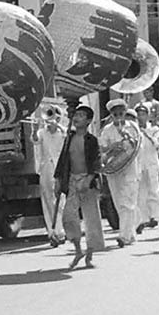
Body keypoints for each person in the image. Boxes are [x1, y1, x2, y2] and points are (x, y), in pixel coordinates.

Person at [52, 102, 104, 269]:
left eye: (81, 116)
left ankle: (89, 254)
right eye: (76, 115)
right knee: (68, 216)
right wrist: (58, 180)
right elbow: (62, 161)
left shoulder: (92, 140)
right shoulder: (69, 138)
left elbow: (97, 162)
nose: (77, 118)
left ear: (88, 121)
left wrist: (89, 180)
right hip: (73, 180)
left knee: (91, 218)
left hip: (88, 181)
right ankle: (77, 249)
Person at [99, 100, 140, 247]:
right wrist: (112, 147)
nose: (118, 116)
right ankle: (130, 234)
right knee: (118, 202)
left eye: (121, 113)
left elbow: (137, 145)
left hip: (129, 168)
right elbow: (102, 149)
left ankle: (124, 235)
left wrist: (126, 136)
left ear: (125, 112)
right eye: (115, 114)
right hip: (114, 169)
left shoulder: (133, 126)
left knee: (128, 202)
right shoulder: (107, 130)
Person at [34, 105, 68, 246]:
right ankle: (53, 232)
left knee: (61, 200)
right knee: (48, 200)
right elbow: (35, 140)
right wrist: (35, 128)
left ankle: (61, 230)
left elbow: (68, 139)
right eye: (49, 115)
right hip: (47, 168)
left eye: (54, 115)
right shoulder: (42, 132)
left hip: (61, 168)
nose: (51, 118)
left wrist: (58, 126)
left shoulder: (63, 131)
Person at [132, 102, 159, 234]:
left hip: (151, 162)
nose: (141, 117)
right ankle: (143, 218)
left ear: (147, 115)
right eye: (139, 114)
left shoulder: (154, 129)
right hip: (140, 163)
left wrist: (148, 134)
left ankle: (155, 215)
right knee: (141, 192)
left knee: (154, 189)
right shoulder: (133, 129)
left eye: (143, 114)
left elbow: (158, 145)